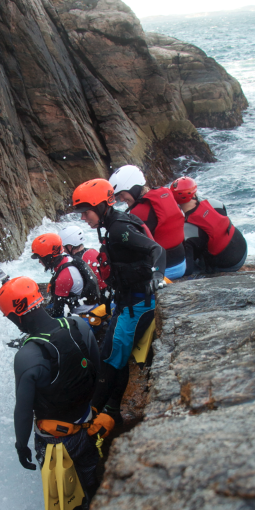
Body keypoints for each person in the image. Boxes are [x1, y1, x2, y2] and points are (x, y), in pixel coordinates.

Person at [0, 275, 102, 510]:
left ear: (14, 318)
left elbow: (23, 411)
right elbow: (96, 367)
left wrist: (21, 446)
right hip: (87, 425)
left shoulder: (27, 357)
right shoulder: (77, 324)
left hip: (55, 443)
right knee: (95, 483)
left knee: (67, 506)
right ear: (39, 298)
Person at [72, 177, 165, 420]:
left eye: (86, 212)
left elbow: (157, 250)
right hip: (127, 301)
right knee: (109, 354)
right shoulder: (111, 224)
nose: (84, 218)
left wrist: (158, 274)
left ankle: (94, 415)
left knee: (111, 358)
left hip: (139, 304)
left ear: (102, 206)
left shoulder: (119, 229)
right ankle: (111, 407)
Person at [109, 164, 186, 279]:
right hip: (182, 262)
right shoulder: (165, 192)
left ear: (132, 188)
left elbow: (135, 250)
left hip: (165, 270)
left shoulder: (138, 211)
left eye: (122, 194)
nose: (121, 200)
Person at [170, 177, 248, 274]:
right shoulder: (214, 203)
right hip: (243, 246)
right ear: (194, 191)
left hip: (230, 264)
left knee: (194, 260)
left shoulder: (188, 230)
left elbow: (187, 269)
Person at [31, 232, 99, 317]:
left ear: (48, 258)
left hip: (85, 315)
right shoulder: (68, 258)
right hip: (88, 304)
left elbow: (57, 312)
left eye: (40, 258)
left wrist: (35, 315)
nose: (39, 262)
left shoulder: (63, 277)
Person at [58, 224, 104, 289]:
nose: (63, 250)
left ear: (69, 246)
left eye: (63, 246)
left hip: (96, 296)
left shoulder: (74, 262)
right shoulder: (93, 251)